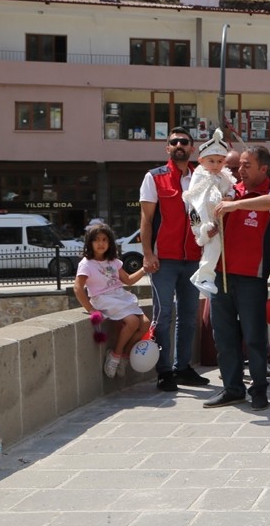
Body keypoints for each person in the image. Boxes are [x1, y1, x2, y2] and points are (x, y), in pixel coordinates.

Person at [204, 145, 270, 410]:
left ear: (263, 168)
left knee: (254, 337)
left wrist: (235, 205)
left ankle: (259, 389)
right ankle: (232, 388)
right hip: (222, 274)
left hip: (253, 277)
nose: (241, 170)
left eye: (247, 165)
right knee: (224, 336)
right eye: (239, 165)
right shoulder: (228, 190)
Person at [138, 126, 208, 393]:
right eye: (174, 142)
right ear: (168, 148)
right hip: (163, 260)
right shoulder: (154, 177)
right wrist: (147, 253)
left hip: (192, 258)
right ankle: (164, 371)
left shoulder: (200, 177)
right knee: (163, 314)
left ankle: (183, 368)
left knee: (189, 316)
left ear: (192, 148)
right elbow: (146, 219)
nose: (179, 145)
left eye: (184, 141)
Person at [74, 223, 150, 378]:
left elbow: (128, 280)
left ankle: (124, 356)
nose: (101, 243)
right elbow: (78, 288)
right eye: (96, 240)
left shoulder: (114, 262)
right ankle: (115, 355)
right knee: (133, 322)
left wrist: (144, 269)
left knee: (146, 323)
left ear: (110, 243)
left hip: (119, 296)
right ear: (90, 243)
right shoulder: (86, 264)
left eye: (104, 239)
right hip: (103, 299)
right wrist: (91, 310)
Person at [181, 130, 237, 296]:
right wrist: (204, 226)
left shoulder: (224, 176)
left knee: (217, 248)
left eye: (220, 161)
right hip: (203, 217)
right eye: (211, 161)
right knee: (213, 245)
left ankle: (203, 276)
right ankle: (203, 277)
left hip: (217, 217)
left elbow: (231, 190)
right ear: (201, 161)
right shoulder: (200, 176)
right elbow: (198, 201)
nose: (215, 165)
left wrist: (229, 197)